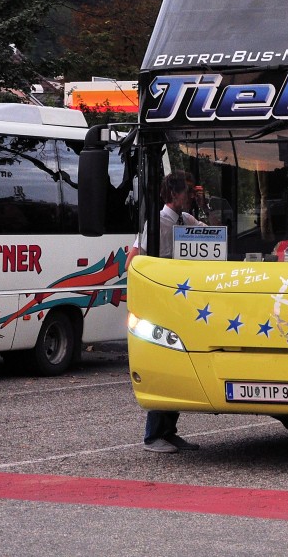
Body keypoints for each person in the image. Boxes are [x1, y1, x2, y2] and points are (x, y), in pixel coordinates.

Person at [127, 170, 203, 454]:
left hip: (180, 301)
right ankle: (153, 435)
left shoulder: (186, 220)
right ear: (173, 194)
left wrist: (205, 207)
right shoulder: (157, 223)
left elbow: (215, 234)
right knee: (163, 366)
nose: (189, 197)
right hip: (162, 301)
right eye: (187, 192)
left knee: (179, 367)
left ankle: (169, 431)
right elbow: (133, 260)